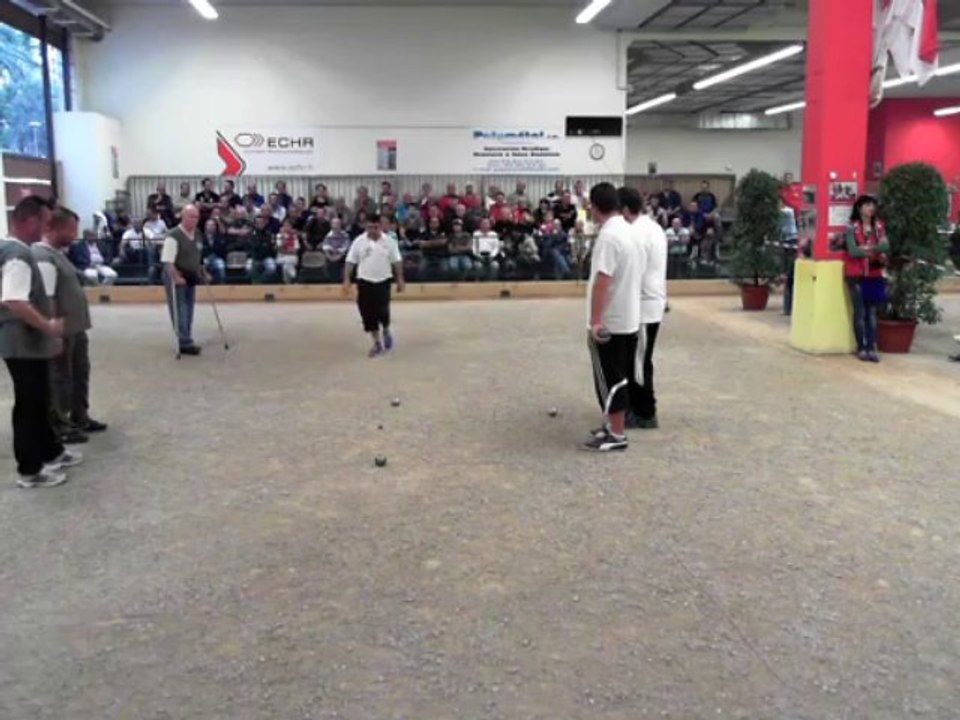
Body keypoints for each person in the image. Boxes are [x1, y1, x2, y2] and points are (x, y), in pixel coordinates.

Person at [1, 196, 80, 488]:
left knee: (38, 397)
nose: (47, 229)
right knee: (30, 403)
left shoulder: (13, 250)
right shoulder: (17, 254)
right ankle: (29, 469)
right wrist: (48, 325)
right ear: (30, 221)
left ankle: (50, 450)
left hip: (24, 340)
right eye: (45, 223)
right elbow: (14, 299)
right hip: (20, 340)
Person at [34, 206, 108, 446]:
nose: (74, 234)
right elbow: (48, 298)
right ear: (57, 228)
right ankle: (60, 423)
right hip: (62, 330)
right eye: (71, 229)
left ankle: (80, 415)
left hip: (76, 328)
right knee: (60, 377)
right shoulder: (43, 256)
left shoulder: (58, 253)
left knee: (79, 373)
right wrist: (53, 330)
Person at [582, 182, 645, 453]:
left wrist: (596, 321)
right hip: (628, 315)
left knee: (611, 377)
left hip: (611, 320)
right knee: (620, 374)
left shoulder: (609, 237)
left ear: (594, 207)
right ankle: (612, 426)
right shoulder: (630, 232)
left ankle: (617, 434)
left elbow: (602, 281)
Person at [620, 187, 666, 430]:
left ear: (626, 210)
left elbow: (633, 269)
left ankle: (646, 412)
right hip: (646, 304)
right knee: (637, 359)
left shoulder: (638, 232)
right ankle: (636, 408)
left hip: (644, 307)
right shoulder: (652, 227)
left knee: (639, 362)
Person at [342, 214, 405, 358]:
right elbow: (350, 261)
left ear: (381, 227)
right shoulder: (359, 241)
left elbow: (397, 261)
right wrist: (346, 279)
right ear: (366, 227)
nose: (372, 230)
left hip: (383, 280)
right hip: (364, 281)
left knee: (382, 310)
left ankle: (386, 329)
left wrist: (400, 279)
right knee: (367, 312)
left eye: (375, 227)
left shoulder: (389, 241)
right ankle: (377, 342)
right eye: (369, 227)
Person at [844, 195, 889, 362]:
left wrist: (867, 248)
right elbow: (853, 251)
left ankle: (871, 347)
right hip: (856, 275)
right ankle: (861, 347)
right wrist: (874, 249)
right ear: (859, 208)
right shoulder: (851, 228)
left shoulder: (879, 226)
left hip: (874, 274)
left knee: (871, 313)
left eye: (873, 205)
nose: (871, 208)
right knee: (860, 312)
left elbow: (886, 246)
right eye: (868, 205)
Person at [161, 204, 205, 356]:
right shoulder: (173, 235)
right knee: (180, 308)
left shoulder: (198, 234)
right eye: (191, 216)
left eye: (196, 217)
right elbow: (167, 261)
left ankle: (187, 336)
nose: (195, 220)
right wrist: (175, 277)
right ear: (183, 216)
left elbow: (197, 255)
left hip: (191, 274)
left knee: (190, 307)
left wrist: (201, 270)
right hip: (176, 274)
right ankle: (184, 342)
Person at [322, 218, 351, 283]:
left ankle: (339, 282)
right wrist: (330, 257)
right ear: (331, 225)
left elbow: (345, 249)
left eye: (337, 224)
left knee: (339, 264)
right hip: (331, 256)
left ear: (340, 225)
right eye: (334, 224)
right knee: (329, 264)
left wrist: (337, 257)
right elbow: (325, 248)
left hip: (342, 257)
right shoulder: (328, 235)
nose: (335, 226)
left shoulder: (345, 235)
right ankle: (332, 283)